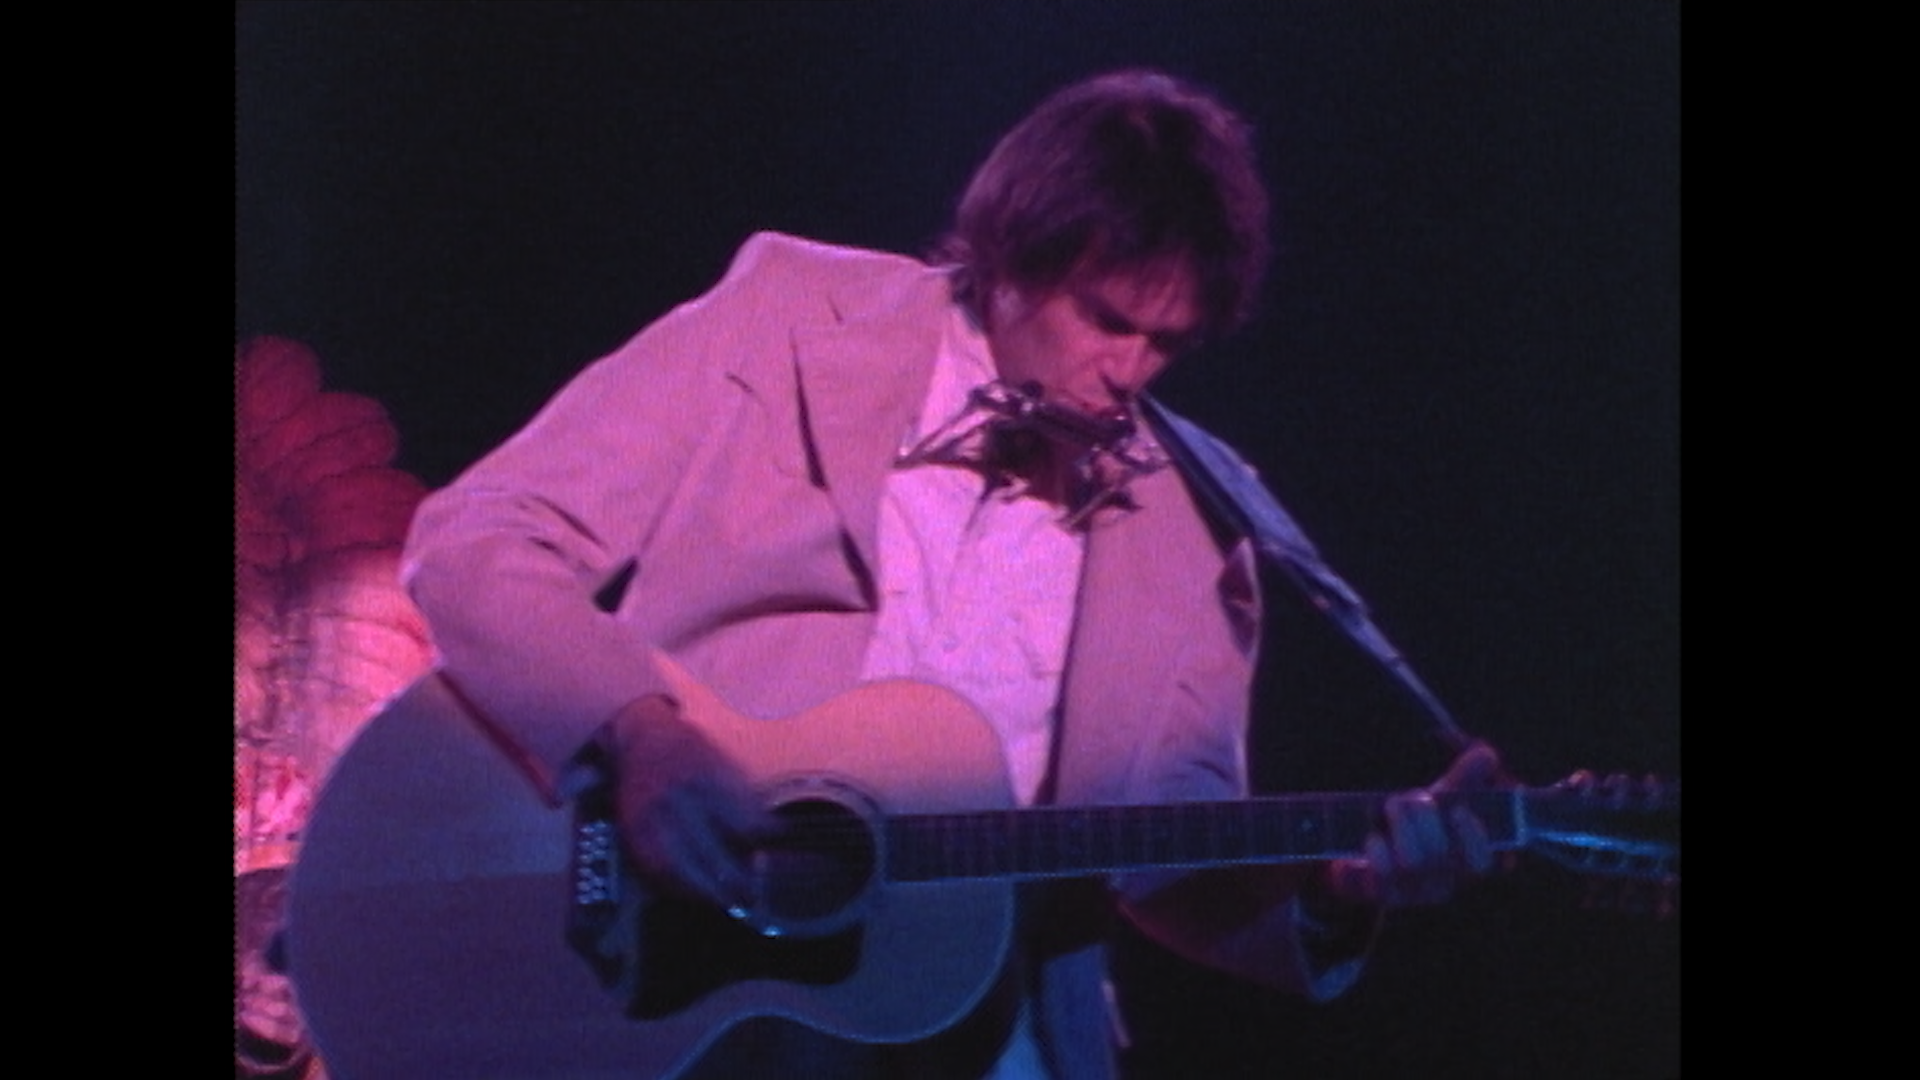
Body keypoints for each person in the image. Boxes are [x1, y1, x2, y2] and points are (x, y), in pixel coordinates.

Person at [399, 68, 1507, 1080]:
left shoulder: (1197, 531)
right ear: (1013, 257)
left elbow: (1168, 862)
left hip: (980, 1038)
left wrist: (1338, 891)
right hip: (670, 980)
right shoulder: (789, 317)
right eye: (1106, 319)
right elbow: (482, 536)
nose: (1128, 370)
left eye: (1167, 343)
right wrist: (637, 730)